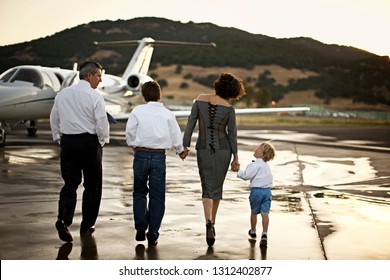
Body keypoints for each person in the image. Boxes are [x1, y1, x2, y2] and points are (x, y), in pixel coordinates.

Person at [50, 61, 110, 243]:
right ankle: (87, 225)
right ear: (89, 75)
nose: (100, 80)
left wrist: (59, 138)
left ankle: (63, 219)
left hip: (68, 142)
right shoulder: (95, 96)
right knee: (93, 185)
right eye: (98, 76)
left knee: (70, 184)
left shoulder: (62, 95)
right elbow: (102, 123)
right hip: (89, 144)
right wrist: (101, 141)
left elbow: (54, 117)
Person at [182, 72, 245, 246]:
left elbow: (190, 124)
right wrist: (236, 158)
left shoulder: (200, 100)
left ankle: (208, 222)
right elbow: (232, 136)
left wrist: (184, 146)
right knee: (217, 187)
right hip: (223, 151)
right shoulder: (229, 109)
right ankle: (213, 223)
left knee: (207, 187)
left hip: (203, 149)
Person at [125, 81, 189, 246]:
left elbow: (130, 132)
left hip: (141, 154)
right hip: (159, 157)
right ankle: (152, 232)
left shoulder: (137, 111)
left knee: (139, 192)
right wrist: (181, 150)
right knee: (157, 196)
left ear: (144, 96)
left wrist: (134, 145)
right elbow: (175, 136)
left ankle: (140, 226)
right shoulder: (168, 113)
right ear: (159, 95)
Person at [235, 142, 275, 246]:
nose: (255, 149)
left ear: (262, 154)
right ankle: (265, 233)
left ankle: (253, 231)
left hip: (256, 191)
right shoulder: (266, 166)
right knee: (265, 213)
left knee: (254, 212)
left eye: (258, 148)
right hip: (267, 191)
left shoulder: (254, 165)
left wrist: (238, 171)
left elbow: (246, 176)